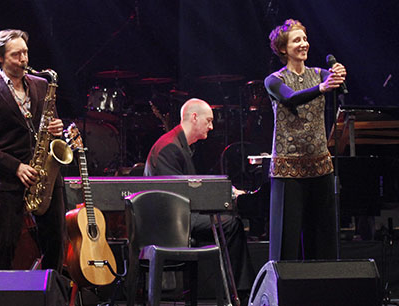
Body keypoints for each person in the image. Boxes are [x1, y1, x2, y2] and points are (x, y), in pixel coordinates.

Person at [0, 29, 66, 271]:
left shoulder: (42, 85)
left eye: (25, 53)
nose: (24, 59)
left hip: (45, 176)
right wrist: (16, 166)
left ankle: (50, 295)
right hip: (9, 180)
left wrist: (57, 128)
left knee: (56, 244)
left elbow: (50, 125)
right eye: (16, 55)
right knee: (5, 247)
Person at [144, 98, 255, 293]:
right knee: (231, 224)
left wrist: (226, 192)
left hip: (179, 214)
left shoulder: (179, 144)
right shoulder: (170, 148)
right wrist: (223, 196)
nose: (211, 127)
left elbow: (191, 186)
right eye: (209, 120)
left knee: (229, 221)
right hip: (169, 220)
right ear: (194, 117)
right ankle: (241, 291)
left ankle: (237, 290)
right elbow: (178, 196)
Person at [265, 19, 346, 260]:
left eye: (304, 39)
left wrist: (339, 74)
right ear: (282, 48)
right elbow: (291, 99)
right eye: (297, 40)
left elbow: (334, 85)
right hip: (288, 170)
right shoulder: (274, 80)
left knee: (323, 239)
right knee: (286, 241)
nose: (304, 44)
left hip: (319, 165)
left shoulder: (319, 74)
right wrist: (321, 88)